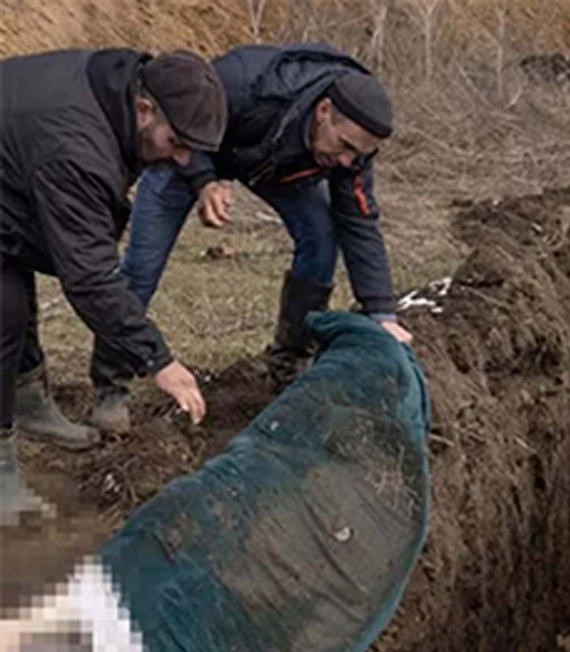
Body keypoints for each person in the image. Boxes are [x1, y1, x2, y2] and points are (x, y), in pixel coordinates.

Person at [96, 43, 411, 435]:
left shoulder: (351, 153)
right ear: (324, 111)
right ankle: (111, 386)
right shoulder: (245, 84)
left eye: (358, 155)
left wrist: (382, 313)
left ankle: (289, 362)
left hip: (276, 167)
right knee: (142, 269)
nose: (348, 161)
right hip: (187, 154)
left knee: (322, 236)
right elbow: (181, 121)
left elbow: (360, 222)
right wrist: (204, 181)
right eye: (345, 146)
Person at [0, 48, 222, 526]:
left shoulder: (119, 88)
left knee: (14, 293)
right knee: (3, 313)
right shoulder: (77, 147)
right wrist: (156, 359)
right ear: (145, 110)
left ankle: (30, 403)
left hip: (10, 170)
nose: (184, 158)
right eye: (177, 141)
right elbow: (89, 277)